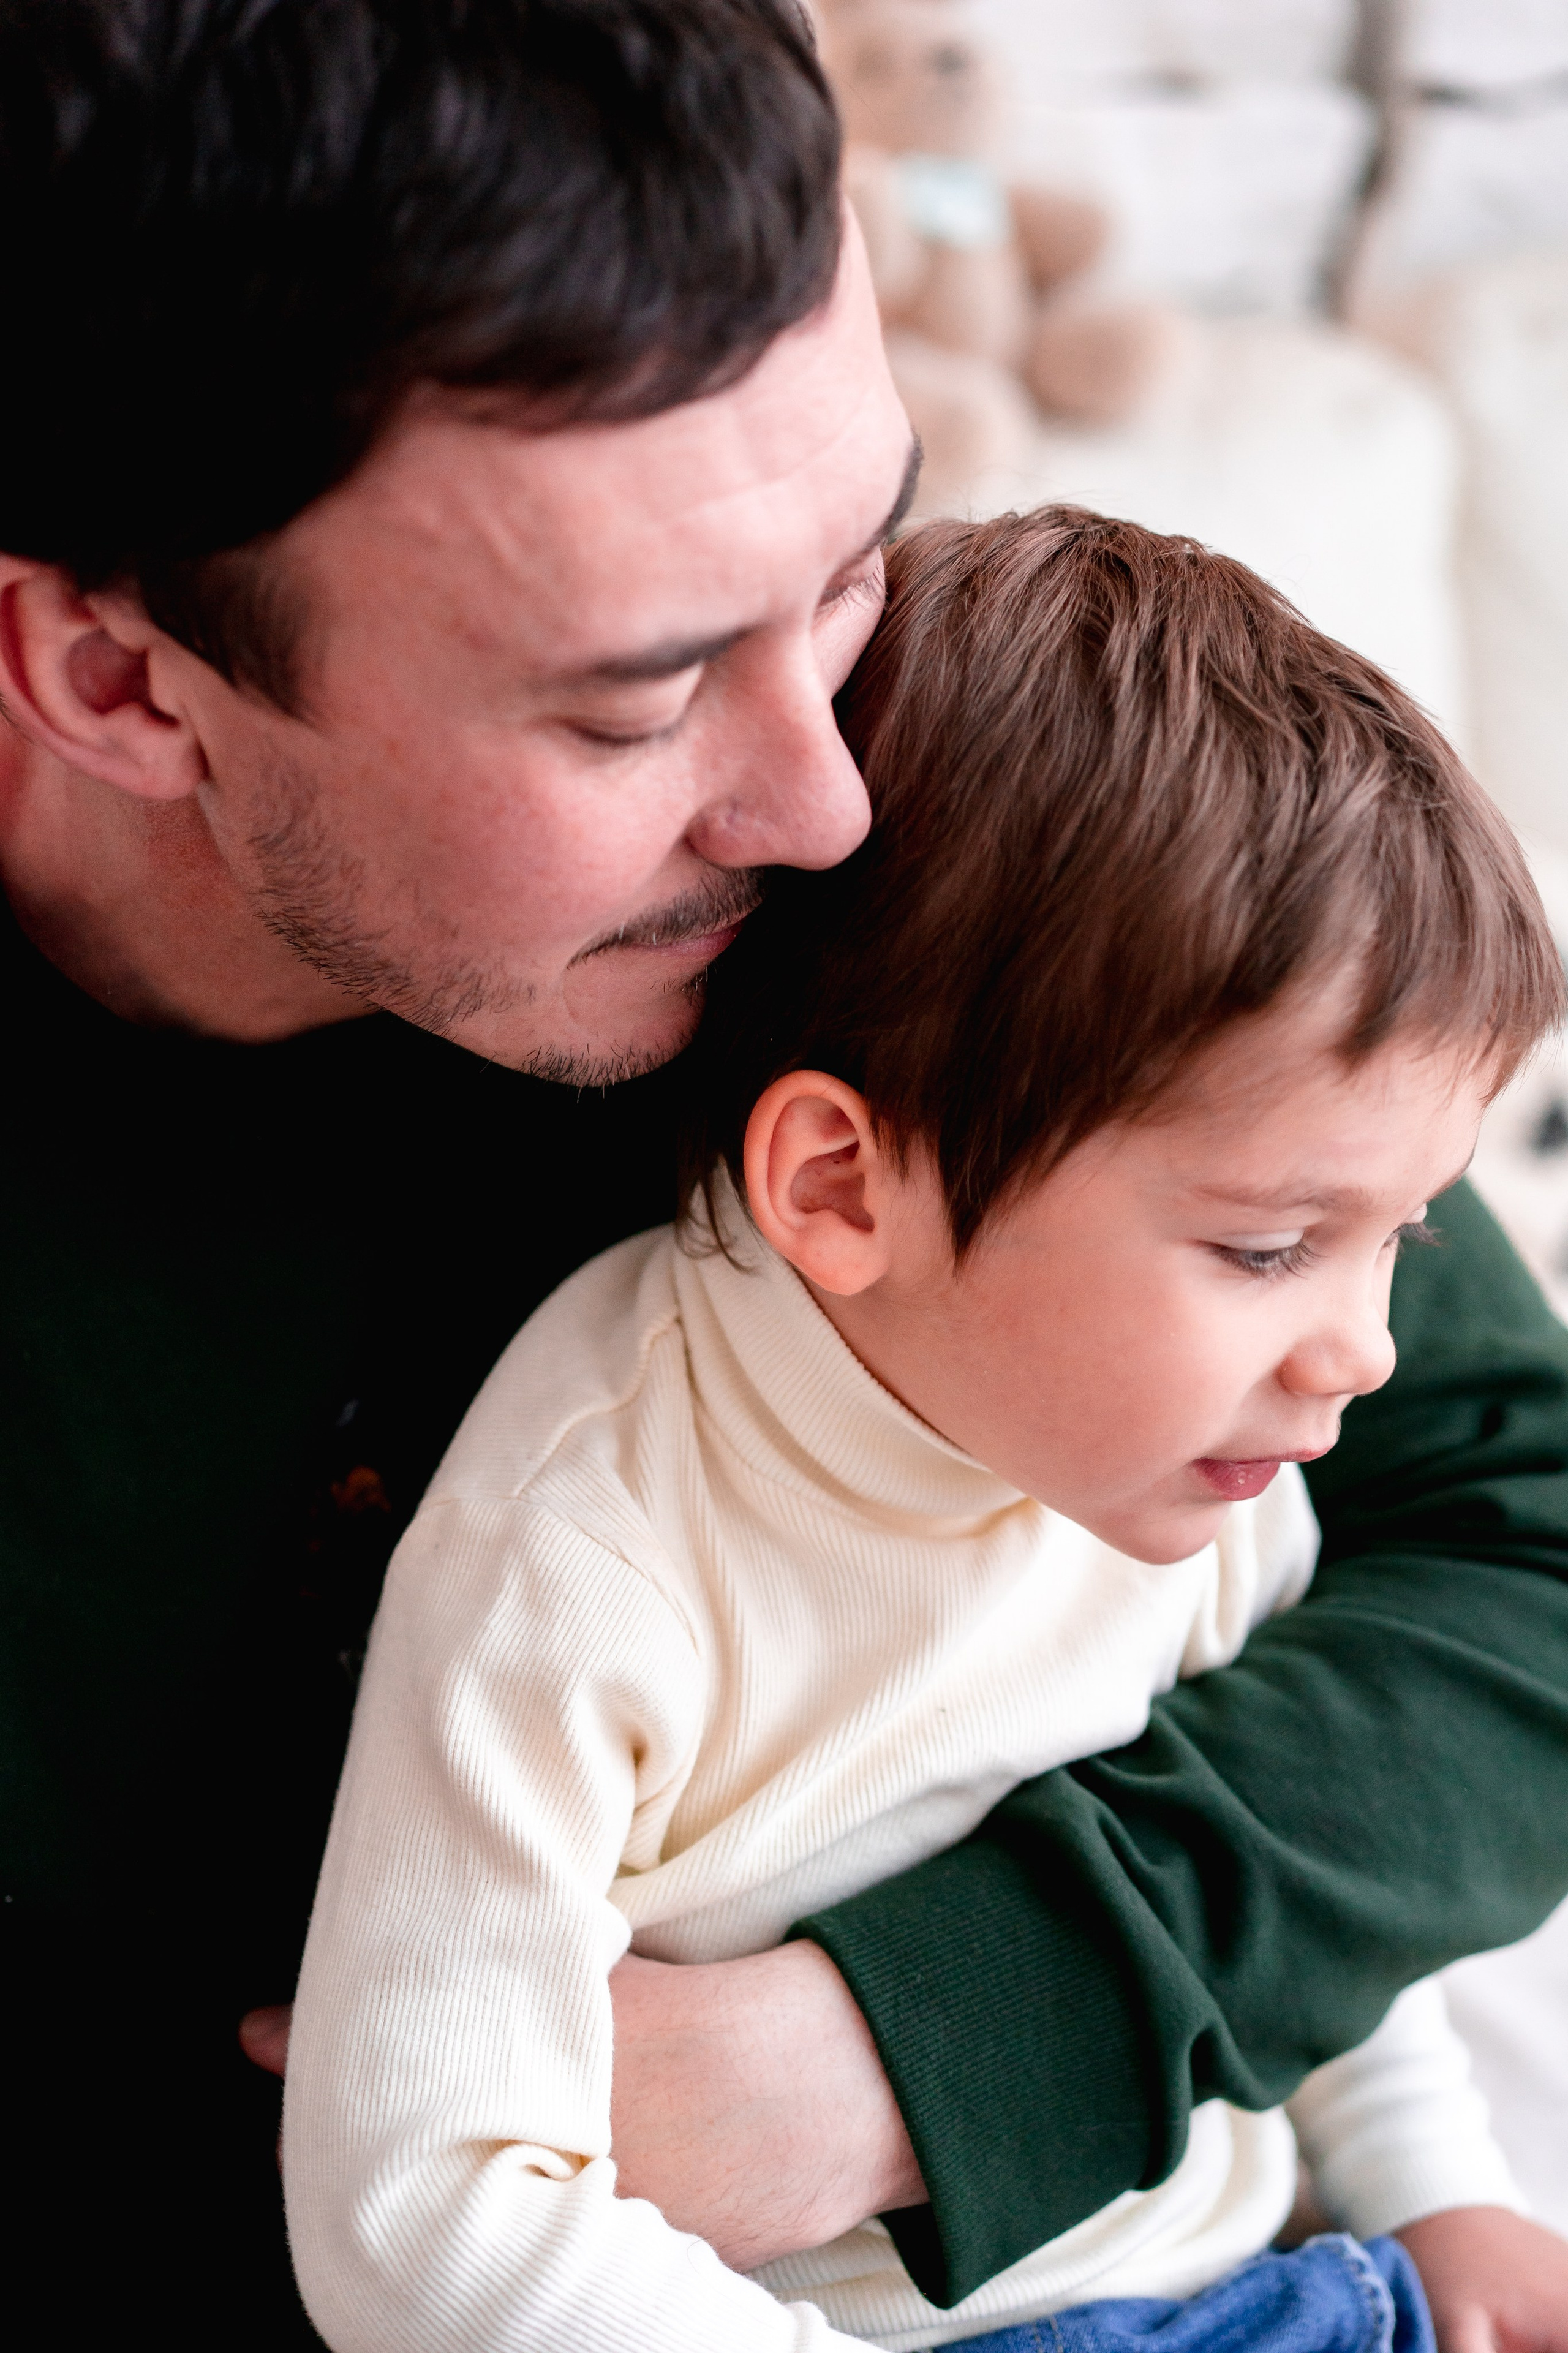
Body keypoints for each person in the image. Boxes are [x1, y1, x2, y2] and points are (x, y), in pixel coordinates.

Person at [3, 6, 1568, 2344]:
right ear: (124, 682)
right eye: (629, 702)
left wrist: (924, 2033)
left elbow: (1518, 1529)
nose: (828, 797)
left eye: (852, 558)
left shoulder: (924, 867)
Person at [282, 509, 1568, 2353]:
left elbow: (1330, 1953)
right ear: (838, 1182)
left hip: (1284, 2282)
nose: (1361, 1354)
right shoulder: (587, 1544)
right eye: (1274, 1244)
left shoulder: (1192, 1474)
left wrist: (1451, 2196)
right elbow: (419, 2206)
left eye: (1409, 1234)